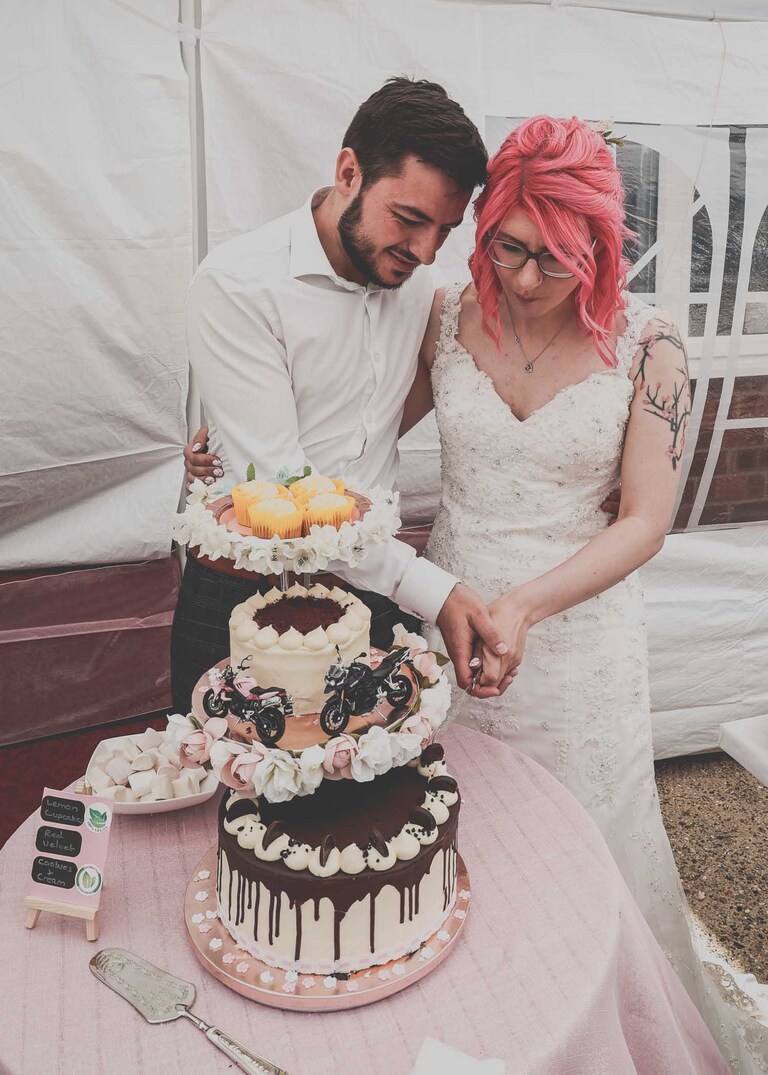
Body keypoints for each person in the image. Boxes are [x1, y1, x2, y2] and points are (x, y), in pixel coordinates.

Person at [399, 114, 763, 1074]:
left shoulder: (653, 350)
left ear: (600, 246)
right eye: (505, 247)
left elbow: (643, 519)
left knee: (580, 861)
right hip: (451, 618)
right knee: (452, 840)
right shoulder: (443, 313)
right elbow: (358, 434)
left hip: (578, 641)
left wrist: (523, 607)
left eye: (552, 260)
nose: (521, 280)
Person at [171, 77, 514, 716]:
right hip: (245, 597)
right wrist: (433, 591)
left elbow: (409, 404)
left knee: (368, 798)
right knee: (235, 797)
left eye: (444, 229)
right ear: (348, 171)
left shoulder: (417, 283)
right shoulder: (238, 285)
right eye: (409, 220)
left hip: (372, 596)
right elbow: (278, 484)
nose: (424, 250)